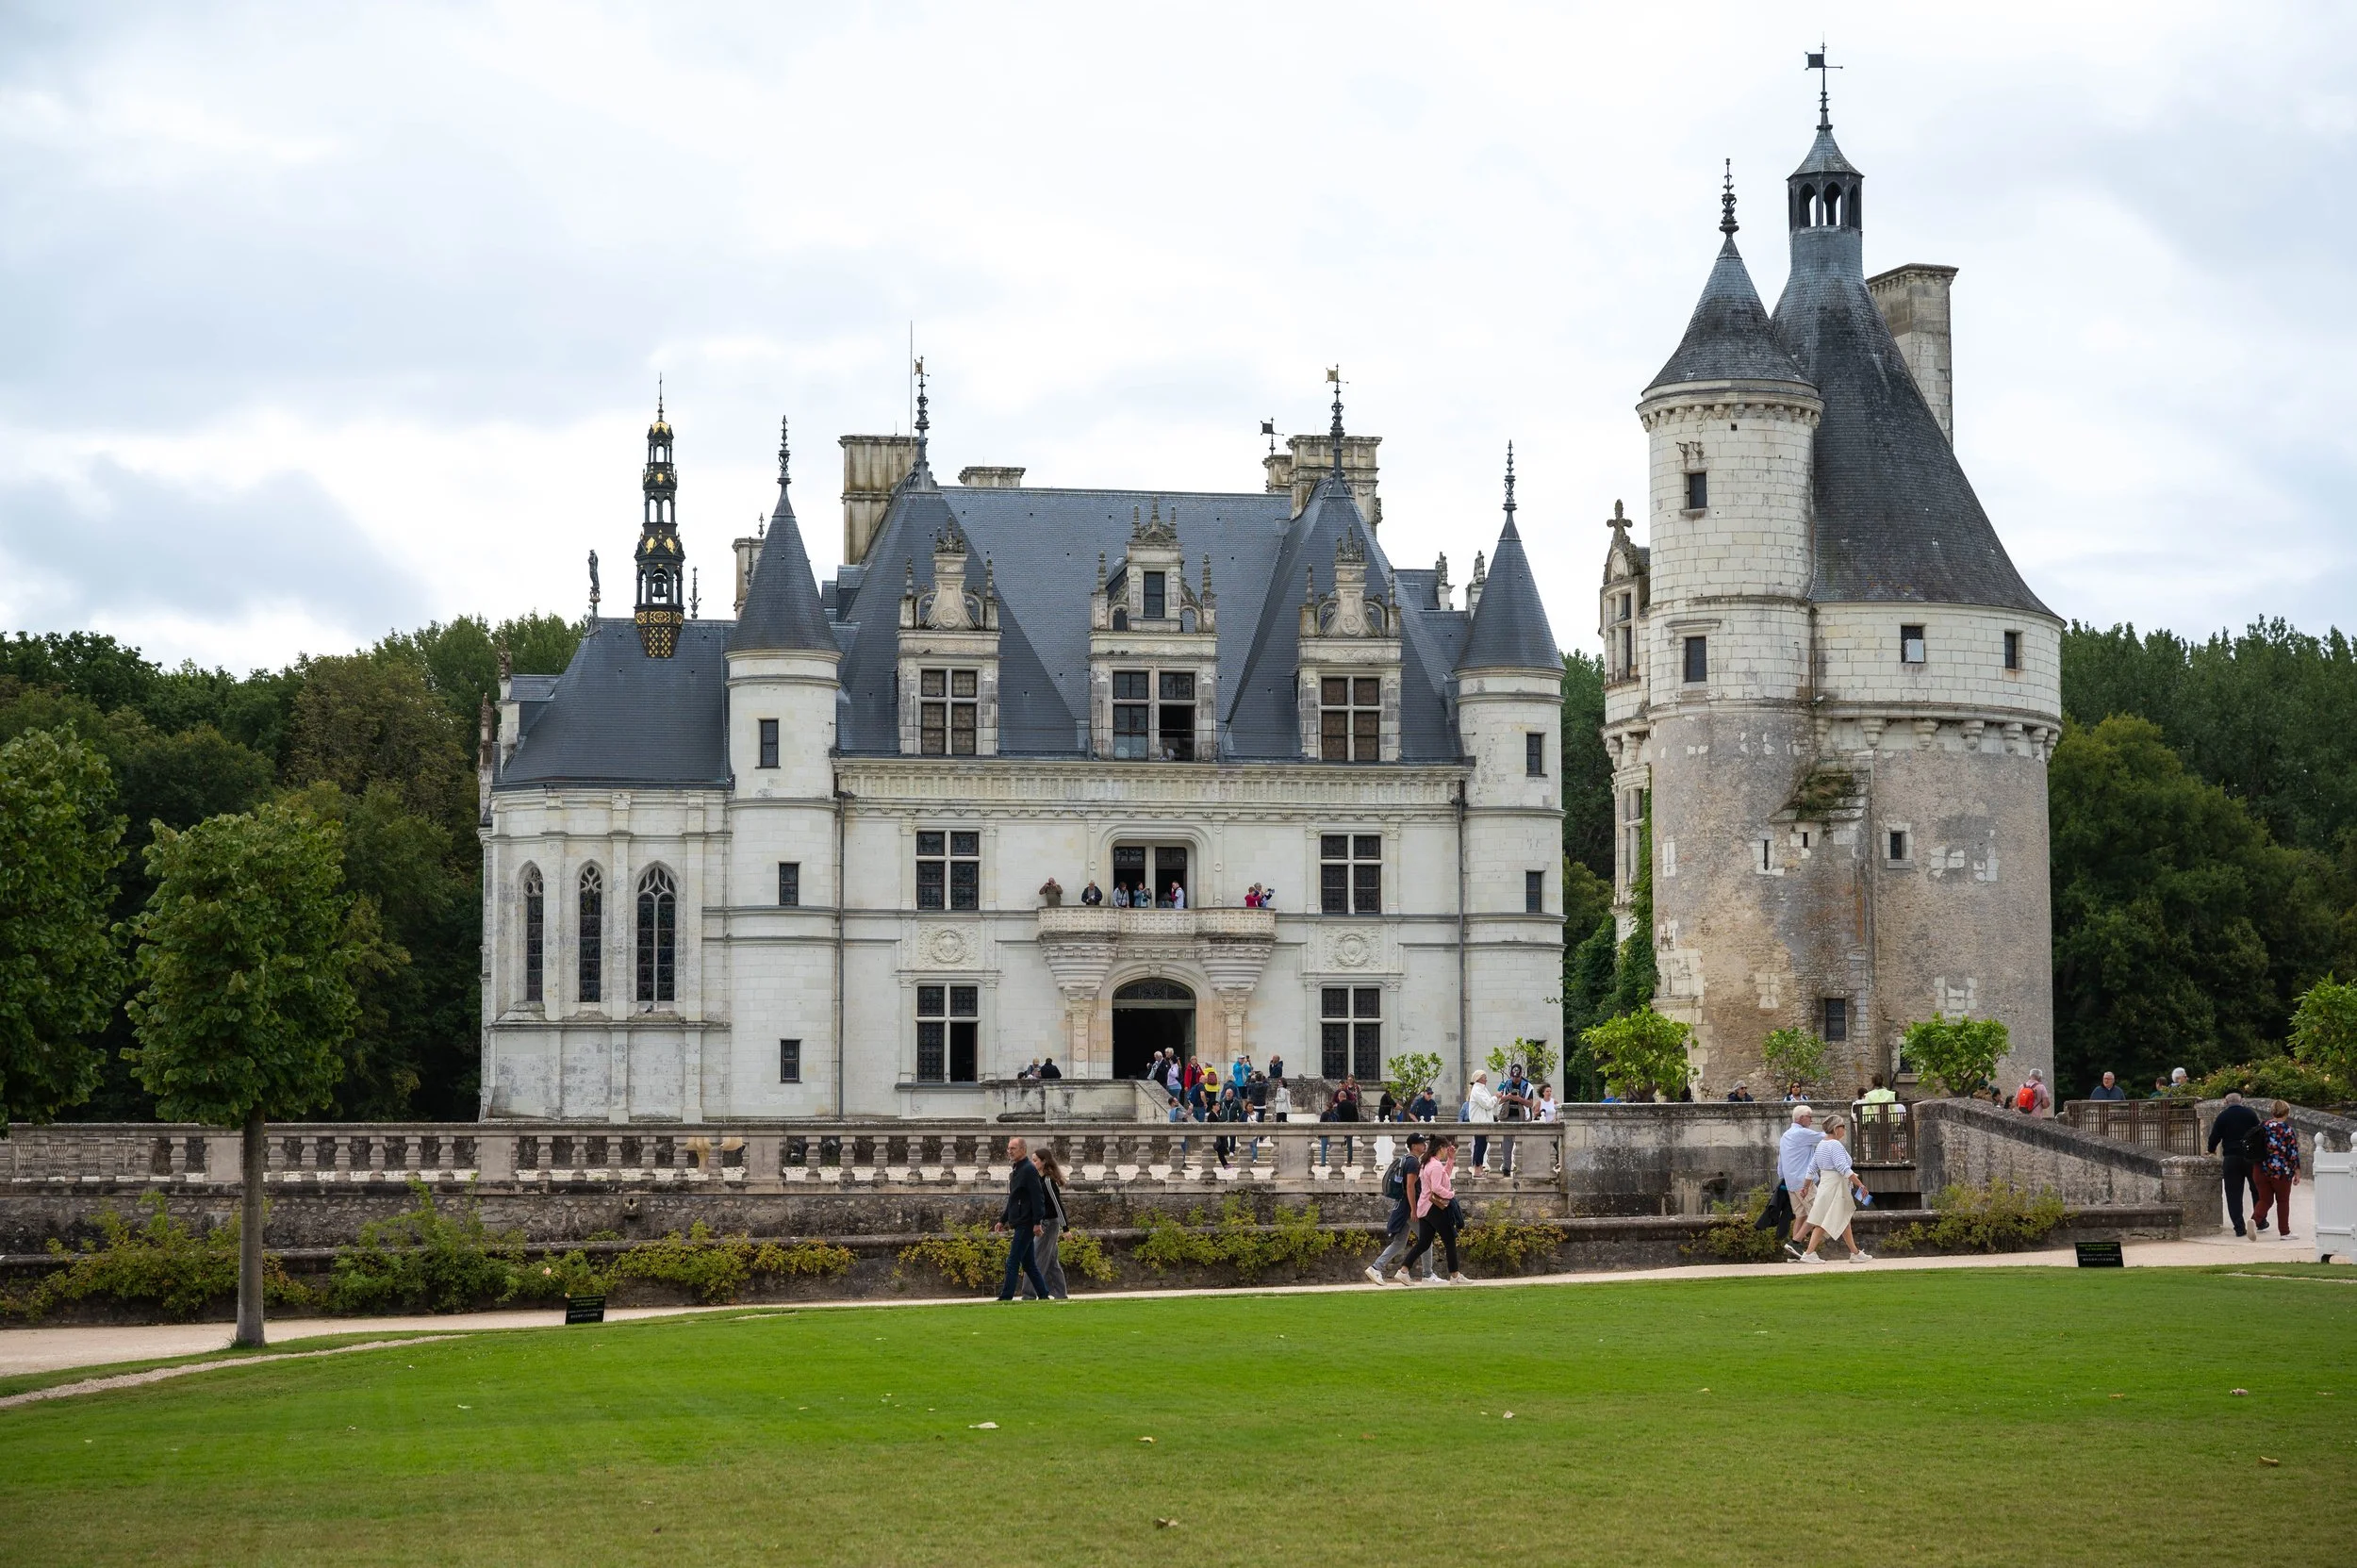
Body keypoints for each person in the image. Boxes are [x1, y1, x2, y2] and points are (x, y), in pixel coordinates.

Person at [1793, 1114, 1872, 1262]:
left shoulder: (1822, 1144)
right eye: (1843, 1127)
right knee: (1826, 1219)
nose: (1844, 1130)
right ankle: (1809, 1253)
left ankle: (1855, 1253)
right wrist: (1860, 1184)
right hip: (1836, 1186)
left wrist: (1805, 1187)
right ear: (1836, 1128)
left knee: (1843, 1218)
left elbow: (1811, 1168)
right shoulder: (1834, 1145)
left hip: (1827, 1184)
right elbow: (1843, 1167)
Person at [1366, 1131, 1441, 1285]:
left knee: (1399, 1242)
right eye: (1421, 1143)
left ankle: (1376, 1267)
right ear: (1414, 1146)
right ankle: (1427, 1275)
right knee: (1426, 1239)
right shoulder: (1413, 1162)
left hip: (1402, 1207)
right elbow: (1410, 1187)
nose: (1424, 1145)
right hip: (1408, 1208)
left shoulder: (1407, 1159)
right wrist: (1414, 1209)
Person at [1400, 1135, 1469, 1283]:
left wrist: (1450, 1160)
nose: (1446, 1151)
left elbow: (1443, 1178)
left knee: (1424, 1243)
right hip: (1435, 1207)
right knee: (1449, 1240)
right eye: (1445, 1148)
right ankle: (1455, 1275)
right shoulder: (1435, 1165)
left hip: (1425, 1208)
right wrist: (1451, 1195)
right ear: (1440, 1148)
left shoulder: (1428, 1163)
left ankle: (1404, 1270)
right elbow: (1437, 1187)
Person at [994, 1136, 1050, 1300]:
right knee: (1029, 1264)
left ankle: (1006, 1297)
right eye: (1008, 1148)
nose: (1009, 1151)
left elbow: (1038, 1197)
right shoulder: (1018, 1170)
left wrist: (1037, 1222)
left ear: (1023, 1150)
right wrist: (1002, 1220)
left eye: (1013, 1148)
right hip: (1020, 1220)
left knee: (1012, 1261)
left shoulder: (1028, 1170)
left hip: (1026, 1222)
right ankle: (1043, 1294)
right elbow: (1014, 1198)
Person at [2206, 1091, 2264, 1238]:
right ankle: (2260, 1220)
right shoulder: (2250, 1114)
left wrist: (2211, 1150)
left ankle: (2239, 1227)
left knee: (2233, 1194)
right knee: (2257, 1189)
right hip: (2250, 1157)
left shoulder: (2223, 1116)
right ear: (2241, 1101)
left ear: (2226, 1102)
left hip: (2231, 1158)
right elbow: (2259, 1134)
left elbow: (2214, 1137)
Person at [1767, 1104, 1822, 1256]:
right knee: (1818, 1213)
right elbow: (1826, 1137)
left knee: (1801, 1215)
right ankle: (1796, 1242)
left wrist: (1783, 1179)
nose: (1811, 1120)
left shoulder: (1786, 1135)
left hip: (1791, 1183)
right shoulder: (1803, 1133)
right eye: (1809, 1117)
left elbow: (1781, 1162)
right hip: (1804, 1182)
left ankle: (1793, 1254)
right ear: (1801, 1118)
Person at [1020, 1147, 1072, 1300]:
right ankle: (1060, 1293)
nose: (1032, 1162)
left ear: (1043, 1162)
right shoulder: (1037, 1179)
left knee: (1034, 1259)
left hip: (1049, 1225)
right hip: (1042, 1223)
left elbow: (1057, 1206)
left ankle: (1028, 1294)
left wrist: (1065, 1229)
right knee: (1050, 1261)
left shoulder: (1048, 1181)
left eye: (1035, 1160)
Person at [2252, 1099, 2301, 1241]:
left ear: (2272, 1112)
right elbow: (2292, 1154)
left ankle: (2254, 1220)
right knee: (2283, 1201)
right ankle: (2284, 1232)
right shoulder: (2287, 1130)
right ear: (2287, 1113)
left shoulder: (2263, 1127)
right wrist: (2297, 1172)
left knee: (2265, 1199)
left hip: (2260, 1169)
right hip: (2281, 1171)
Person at [1495, 1063, 1533, 1177]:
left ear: (1521, 1074)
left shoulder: (1528, 1086)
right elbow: (1498, 1098)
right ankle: (1506, 1168)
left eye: (1517, 1077)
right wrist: (1508, 1097)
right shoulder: (1504, 1083)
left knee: (1522, 1144)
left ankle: (1521, 1168)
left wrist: (1519, 1099)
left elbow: (1530, 1104)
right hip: (1506, 1117)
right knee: (1506, 1145)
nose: (1515, 1079)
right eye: (1513, 1076)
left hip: (1521, 1117)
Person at [1465, 1070, 1498, 1175]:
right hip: (1480, 1122)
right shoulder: (1477, 1089)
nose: (1486, 1079)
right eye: (1484, 1077)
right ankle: (1477, 1168)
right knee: (1480, 1145)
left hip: (1483, 1121)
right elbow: (1487, 1104)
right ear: (1478, 1078)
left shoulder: (1481, 1089)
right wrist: (1495, 1097)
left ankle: (1478, 1168)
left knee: (1482, 1145)